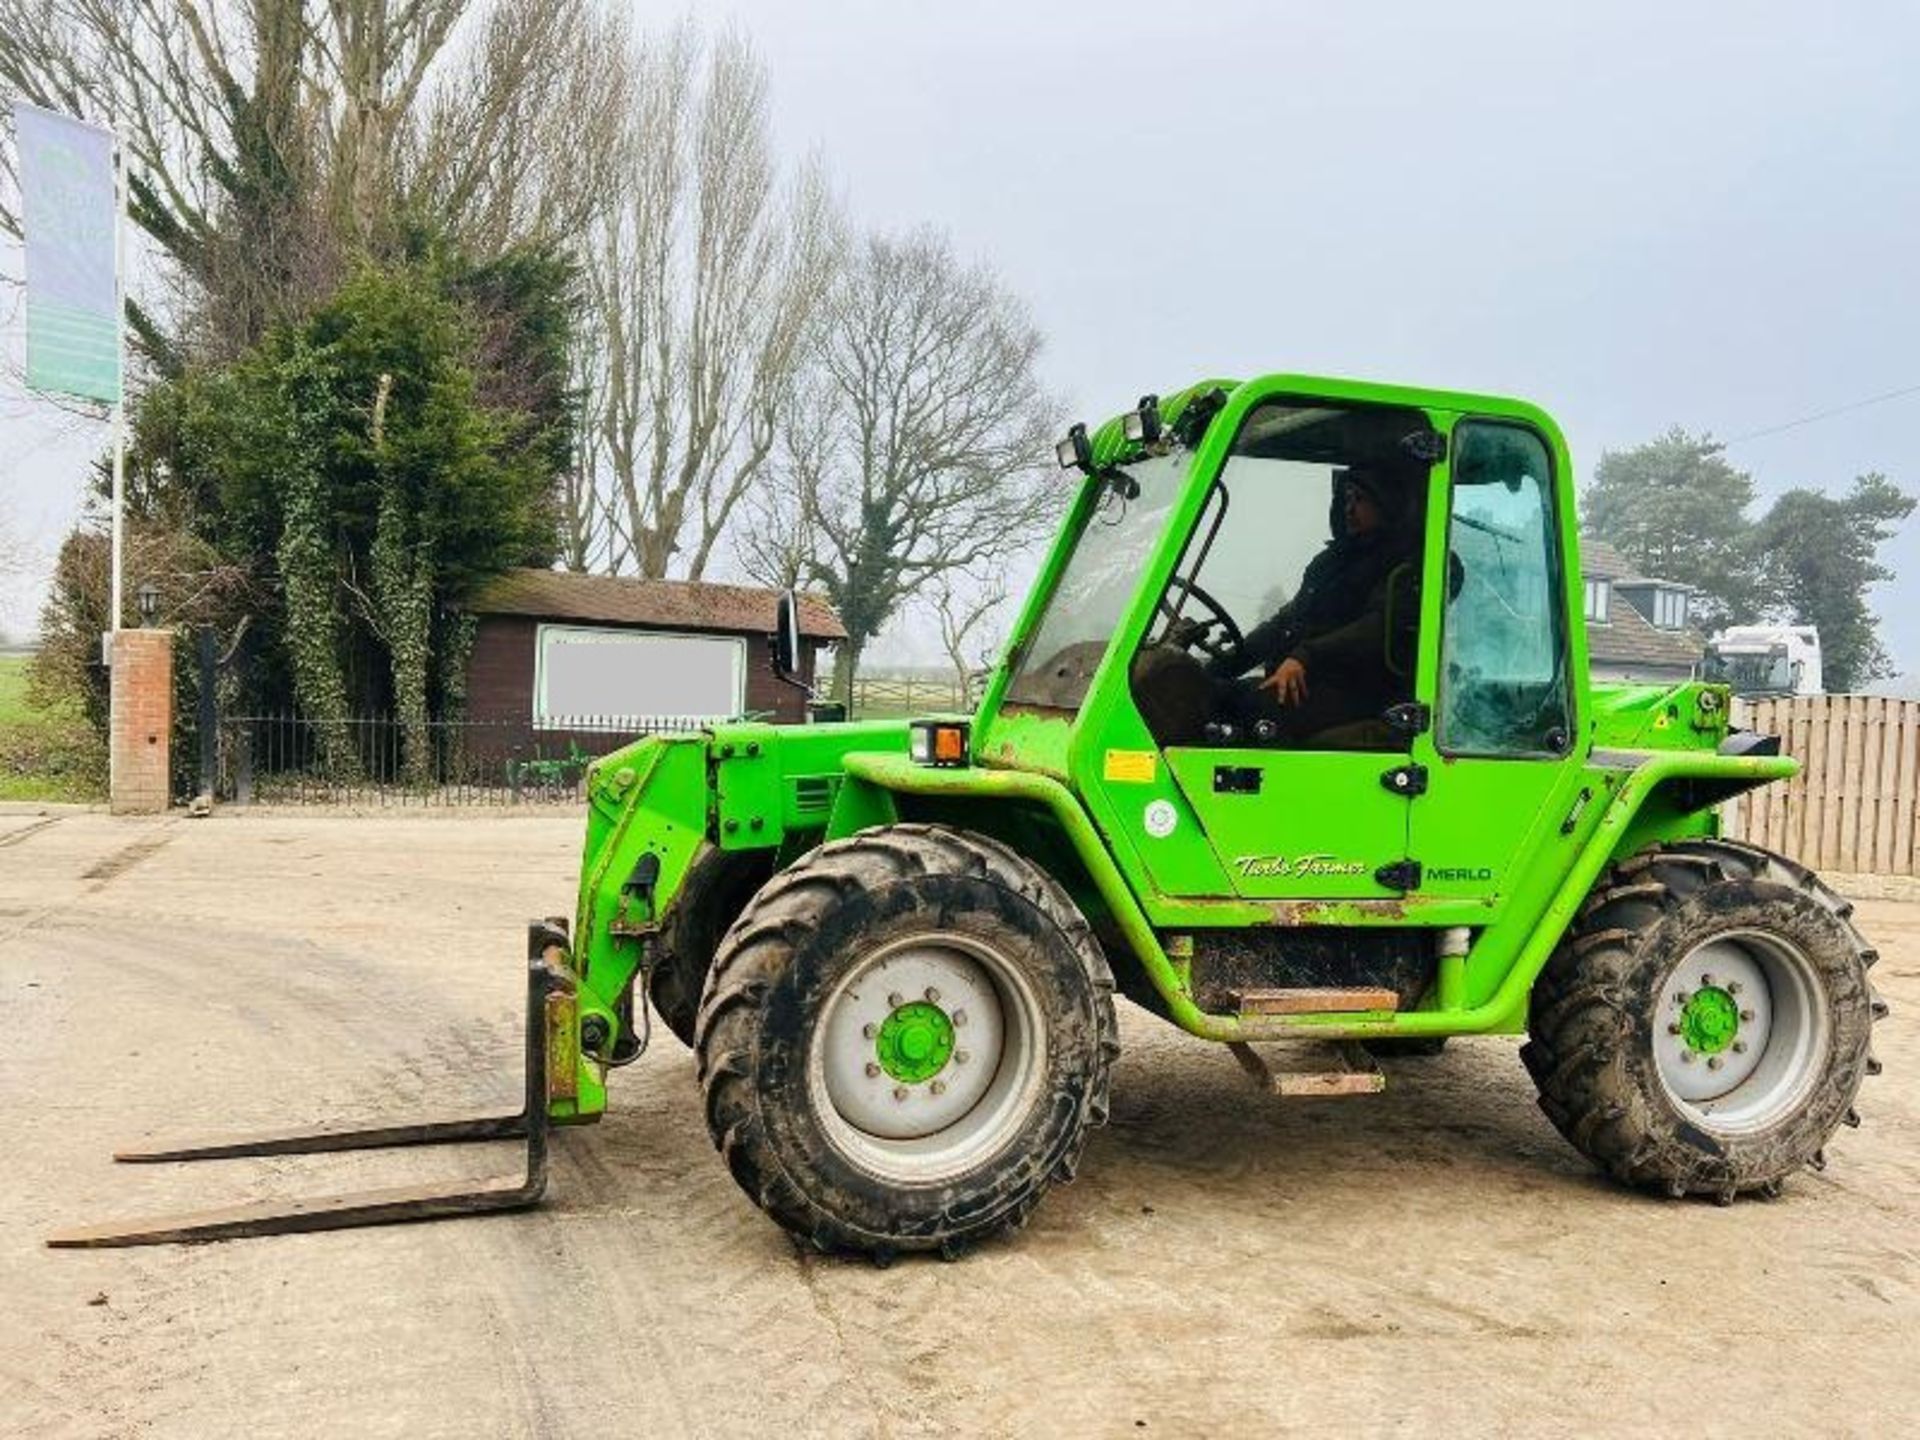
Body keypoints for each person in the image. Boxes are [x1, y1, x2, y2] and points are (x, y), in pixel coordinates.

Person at [1206, 466, 1417, 745]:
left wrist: (1305, 656)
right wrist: (1215, 668)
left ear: (1386, 503)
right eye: (1347, 499)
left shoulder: (1403, 565)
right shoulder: (1330, 562)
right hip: (1305, 683)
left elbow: (1375, 629)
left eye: (1361, 499)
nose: (1350, 509)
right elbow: (1284, 624)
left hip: (1355, 689)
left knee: (1253, 707)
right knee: (1209, 693)